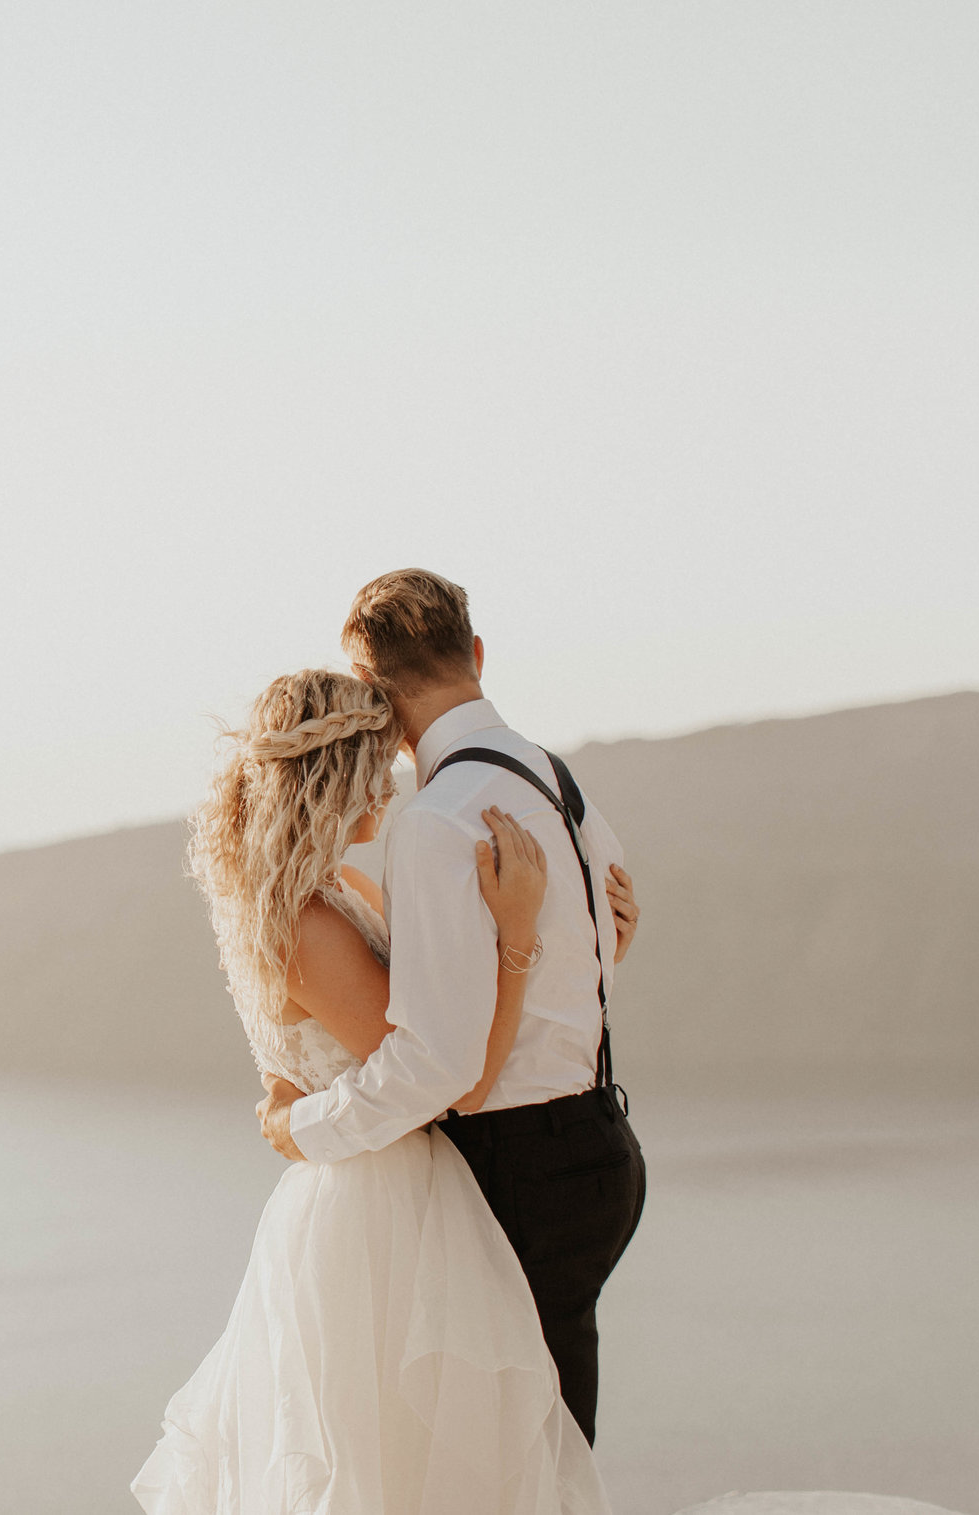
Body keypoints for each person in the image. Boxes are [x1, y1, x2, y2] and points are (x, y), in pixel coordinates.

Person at [133, 663, 617, 1515]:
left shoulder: (328, 894)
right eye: (372, 771)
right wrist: (518, 936)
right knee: (400, 1469)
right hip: (379, 1220)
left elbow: (435, 1015)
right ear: (329, 780)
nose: (389, 791)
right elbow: (444, 1079)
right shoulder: (307, 926)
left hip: (392, 1189)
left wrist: (593, 939)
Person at [264, 568, 645, 1443]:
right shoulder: (561, 785)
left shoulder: (437, 821)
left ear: (378, 699)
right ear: (475, 652)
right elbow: (599, 957)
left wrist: (307, 1129)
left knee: (510, 1456)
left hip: (517, 1172)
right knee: (550, 1443)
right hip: (601, 1142)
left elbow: (436, 1065)